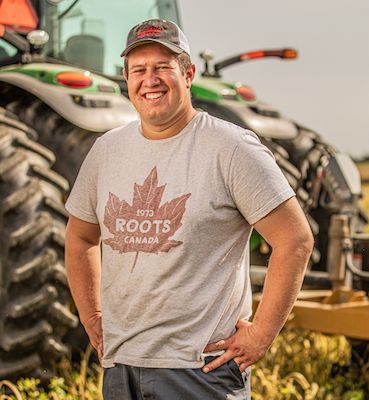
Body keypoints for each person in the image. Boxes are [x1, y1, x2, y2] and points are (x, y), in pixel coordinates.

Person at [65, 19, 314, 400]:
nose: (150, 80)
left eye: (163, 67)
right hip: (121, 368)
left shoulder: (231, 148)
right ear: (127, 78)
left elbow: (294, 239)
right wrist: (92, 316)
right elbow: (80, 235)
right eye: (139, 70)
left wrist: (261, 335)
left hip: (199, 372)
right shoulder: (106, 150)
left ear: (188, 73)